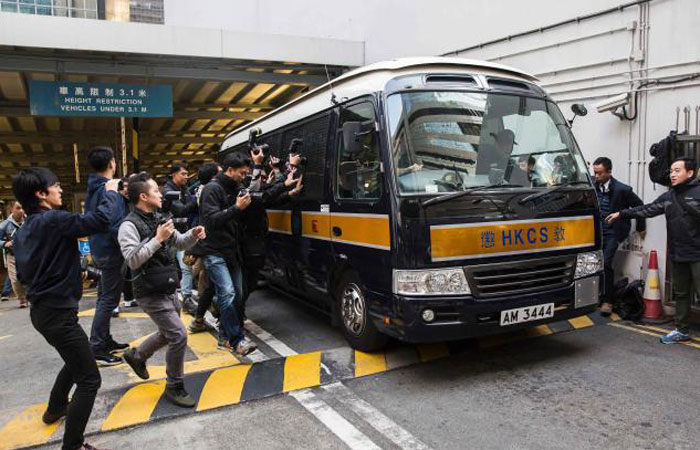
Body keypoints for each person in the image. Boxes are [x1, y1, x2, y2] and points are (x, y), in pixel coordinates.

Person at [12, 167, 121, 450]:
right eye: (57, 186)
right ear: (41, 194)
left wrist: (72, 273)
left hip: (43, 312)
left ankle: (56, 408)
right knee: (89, 378)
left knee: (76, 359)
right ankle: (73, 446)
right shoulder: (53, 220)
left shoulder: (25, 231)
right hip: (58, 314)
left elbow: (27, 275)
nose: (61, 190)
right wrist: (109, 193)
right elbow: (101, 220)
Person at [118, 172, 206, 407]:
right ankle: (174, 385)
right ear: (144, 196)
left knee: (168, 332)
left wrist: (194, 235)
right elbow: (133, 260)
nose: (161, 193)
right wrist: (157, 239)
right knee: (178, 334)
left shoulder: (159, 217)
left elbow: (179, 242)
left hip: (167, 285)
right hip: (148, 290)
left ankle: (137, 356)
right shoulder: (128, 225)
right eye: (156, 190)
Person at [607, 157, 700, 343]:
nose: (672, 174)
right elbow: (648, 209)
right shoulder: (669, 196)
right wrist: (622, 213)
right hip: (678, 253)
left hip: (698, 254)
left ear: (690, 173)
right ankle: (681, 330)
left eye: (677, 170)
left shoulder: (698, 193)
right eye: (671, 170)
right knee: (681, 294)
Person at [199, 152, 257, 358]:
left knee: (238, 294)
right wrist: (236, 208)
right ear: (229, 170)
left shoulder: (236, 189)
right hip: (214, 251)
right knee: (227, 293)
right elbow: (211, 220)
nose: (244, 177)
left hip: (232, 252)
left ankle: (224, 335)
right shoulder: (212, 189)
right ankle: (237, 340)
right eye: (241, 173)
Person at [85, 146, 128, 366]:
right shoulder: (109, 190)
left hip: (99, 247)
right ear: (112, 163)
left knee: (105, 296)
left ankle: (105, 340)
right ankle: (97, 347)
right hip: (112, 250)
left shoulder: (93, 188)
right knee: (109, 300)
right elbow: (115, 224)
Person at [592, 157, 646, 316]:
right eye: (594, 173)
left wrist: (641, 228)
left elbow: (640, 206)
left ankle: (608, 301)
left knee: (606, 263)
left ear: (609, 171)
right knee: (592, 265)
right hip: (594, 232)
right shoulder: (591, 187)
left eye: (599, 173)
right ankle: (594, 296)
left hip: (613, 232)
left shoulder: (623, 190)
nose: (596, 176)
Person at [162, 163, 197, 312]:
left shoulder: (184, 189)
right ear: (173, 174)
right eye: (183, 174)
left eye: (187, 174)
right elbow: (181, 209)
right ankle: (167, 298)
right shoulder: (168, 191)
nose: (186, 176)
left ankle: (187, 298)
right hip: (169, 235)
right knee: (168, 267)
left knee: (186, 266)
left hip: (183, 233)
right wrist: (195, 200)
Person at [0, 201, 27, 307]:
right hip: (12, 255)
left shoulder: (29, 221)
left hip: (29, 255)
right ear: (11, 210)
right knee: (15, 280)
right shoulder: (5, 224)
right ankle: (22, 299)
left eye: (22, 208)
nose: (21, 210)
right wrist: (5, 243)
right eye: (18, 208)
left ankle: (33, 296)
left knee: (32, 277)